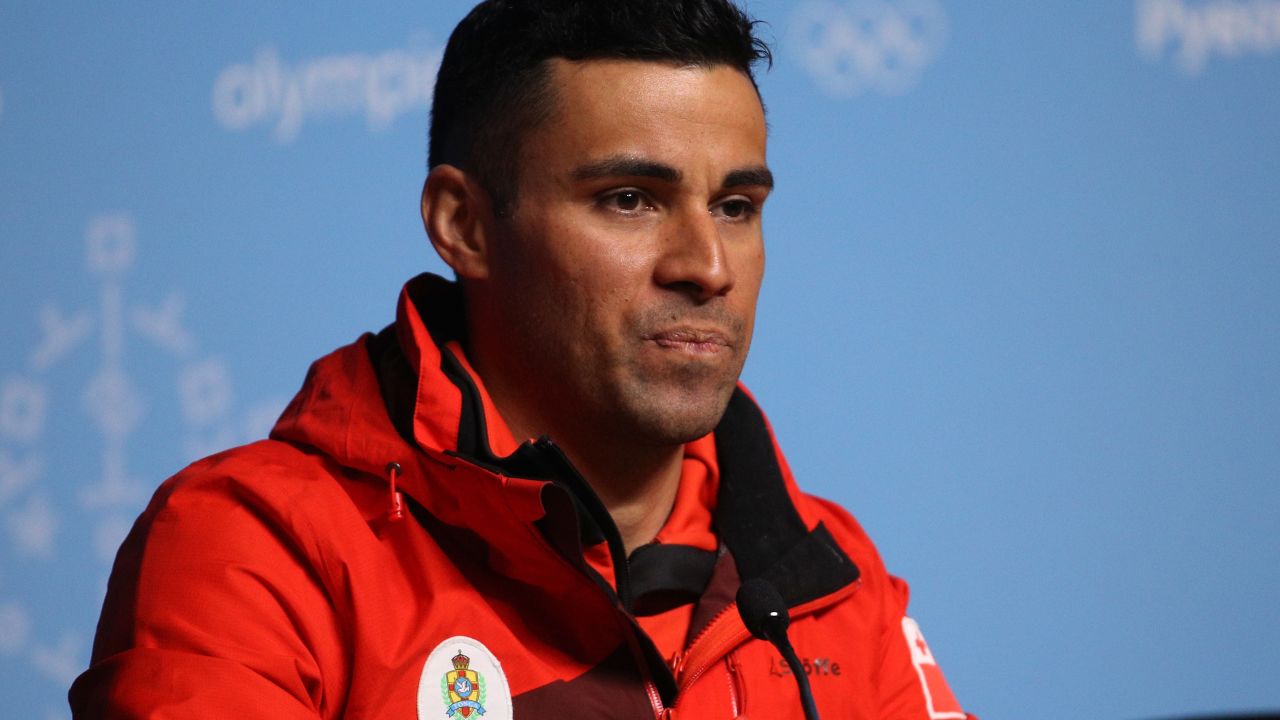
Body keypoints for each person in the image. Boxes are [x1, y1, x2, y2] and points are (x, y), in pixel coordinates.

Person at [70, 1, 975, 718]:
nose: (707, 266)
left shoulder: (828, 577)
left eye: (736, 205)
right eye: (629, 199)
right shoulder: (255, 552)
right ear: (464, 224)